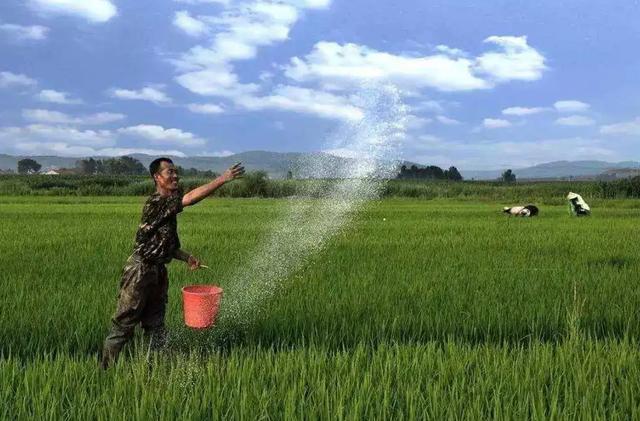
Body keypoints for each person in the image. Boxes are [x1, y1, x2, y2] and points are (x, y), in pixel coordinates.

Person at [100, 158, 245, 369]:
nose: (175, 175)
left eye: (176, 172)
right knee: (123, 325)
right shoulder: (156, 202)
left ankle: (153, 370)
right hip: (140, 271)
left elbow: (165, 244)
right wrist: (223, 179)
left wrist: (187, 257)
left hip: (157, 272)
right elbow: (189, 199)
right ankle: (104, 370)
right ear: (157, 177)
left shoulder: (168, 208)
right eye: (169, 172)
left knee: (156, 326)